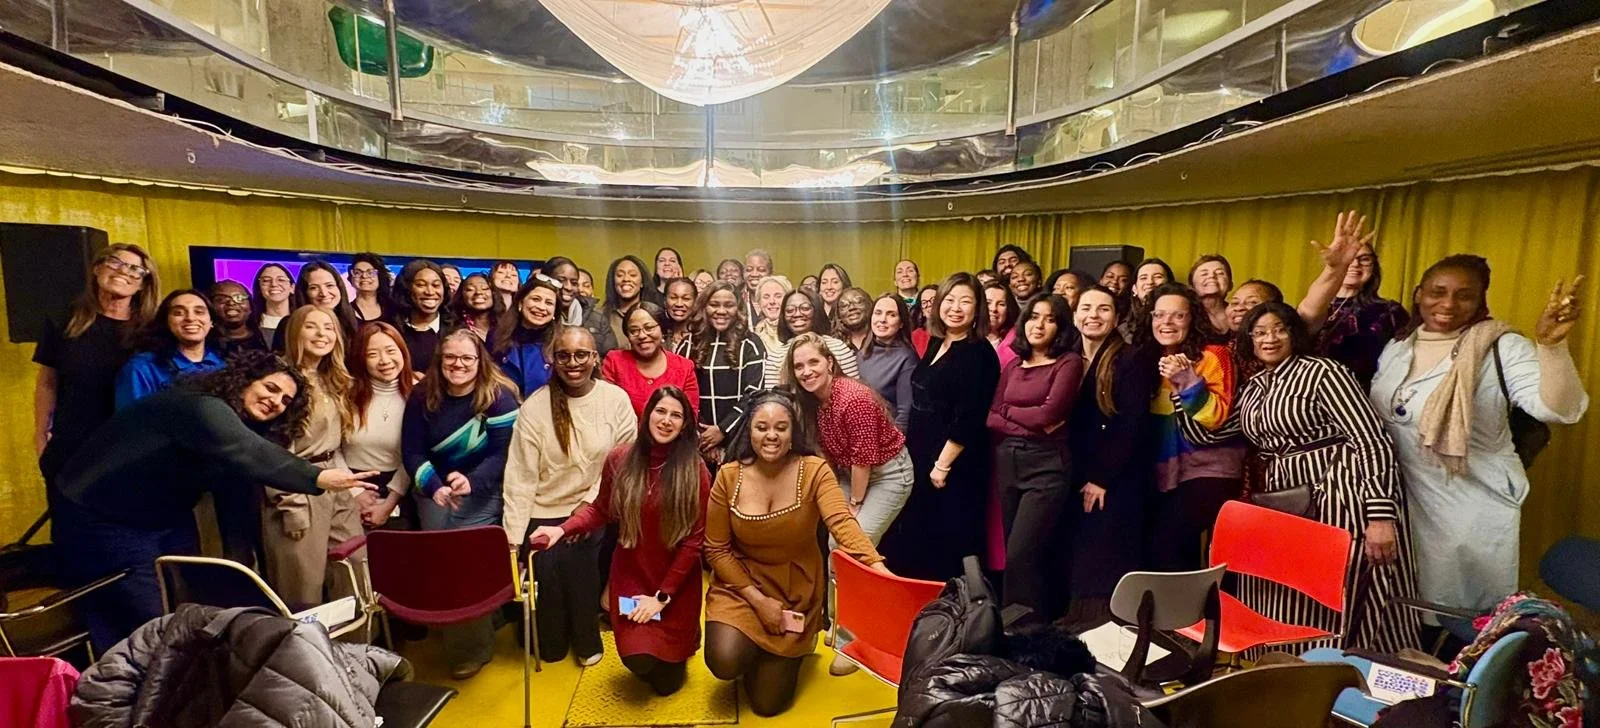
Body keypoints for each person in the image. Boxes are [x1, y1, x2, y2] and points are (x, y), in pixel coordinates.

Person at [52, 350, 375, 652]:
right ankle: (141, 693)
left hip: (161, 518)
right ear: (244, 380)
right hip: (103, 518)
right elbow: (248, 452)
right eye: (270, 387)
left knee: (188, 601)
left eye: (285, 399)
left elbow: (234, 495)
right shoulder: (202, 407)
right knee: (152, 618)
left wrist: (243, 562)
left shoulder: (235, 427)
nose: (275, 401)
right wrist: (317, 478)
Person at [1370, 256, 1588, 612]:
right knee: (1407, 608)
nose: (1448, 304)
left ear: (1481, 299)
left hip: (1470, 501)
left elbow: (1559, 410)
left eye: (1464, 295)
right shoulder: (1399, 346)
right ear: (1418, 293)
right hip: (1405, 499)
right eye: (1437, 292)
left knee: (1463, 617)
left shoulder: (1501, 346)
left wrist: (1551, 347)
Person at [1219, 302, 1421, 653]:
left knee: (1341, 588)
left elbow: (1370, 438)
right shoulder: (1253, 386)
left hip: (1340, 491)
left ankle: (1345, 680)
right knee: (1291, 592)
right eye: (1260, 332)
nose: (1270, 338)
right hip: (1284, 499)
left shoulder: (1324, 372)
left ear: (1294, 333)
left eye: (1279, 329)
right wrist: (1185, 390)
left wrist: (1380, 514)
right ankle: (1290, 676)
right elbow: (1215, 434)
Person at [703, 390, 888, 717]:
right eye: (761, 427)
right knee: (724, 660)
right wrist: (760, 603)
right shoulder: (729, 476)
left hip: (794, 590)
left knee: (767, 706)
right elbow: (716, 549)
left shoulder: (814, 470)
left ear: (793, 433)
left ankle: (789, 650)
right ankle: (750, 646)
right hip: (742, 588)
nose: (771, 435)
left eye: (780, 427)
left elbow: (841, 522)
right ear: (749, 431)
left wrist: (877, 566)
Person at [528, 387, 710, 695]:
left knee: (666, 685)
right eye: (660, 411)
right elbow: (601, 508)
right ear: (647, 414)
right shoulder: (620, 459)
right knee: (639, 661)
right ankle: (654, 647)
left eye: (676, 415)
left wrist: (661, 598)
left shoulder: (696, 470)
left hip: (675, 585)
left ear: (685, 426)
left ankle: (685, 638)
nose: (666, 420)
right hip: (632, 576)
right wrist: (561, 530)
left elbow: (694, 542)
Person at [503, 326, 637, 666]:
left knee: (579, 560)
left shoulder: (615, 400)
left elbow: (622, 463)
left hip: (595, 505)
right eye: (564, 355)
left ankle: (586, 636)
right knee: (550, 645)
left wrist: (588, 505)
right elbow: (520, 477)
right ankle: (554, 635)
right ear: (552, 361)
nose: (573, 362)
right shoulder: (535, 407)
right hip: (543, 508)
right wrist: (513, 543)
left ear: (595, 358)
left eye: (581, 355)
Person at [402, 330, 519, 678]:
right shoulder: (423, 395)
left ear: (479, 361)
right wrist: (433, 485)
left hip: (482, 491)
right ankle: (476, 623)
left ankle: (470, 651)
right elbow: (411, 450)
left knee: (463, 568)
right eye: (450, 357)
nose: (458, 364)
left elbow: (504, 453)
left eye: (467, 358)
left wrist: (472, 481)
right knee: (441, 566)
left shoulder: (499, 398)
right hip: (434, 490)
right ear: (439, 360)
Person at [879, 273, 1001, 582]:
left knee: (949, 541)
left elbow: (970, 417)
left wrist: (942, 465)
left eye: (965, 302)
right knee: (919, 537)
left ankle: (951, 616)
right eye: (949, 300)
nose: (955, 308)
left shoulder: (980, 354)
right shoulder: (938, 341)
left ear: (978, 310)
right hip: (922, 452)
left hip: (954, 463)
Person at [987, 294, 1083, 626]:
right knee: (1020, 554)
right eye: (1033, 317)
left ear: (1061, 326)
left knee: (1022, 553)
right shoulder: (1013, 364)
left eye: (1049, 318)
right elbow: (992, 415)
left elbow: (1052, 413)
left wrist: (1013, 416)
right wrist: (1031, 422)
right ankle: (1025, 625)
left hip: (1047, 465)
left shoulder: (1068, 362)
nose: (1039, 324)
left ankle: (1021, 627)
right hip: (1008, 461)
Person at [1138, 283, 1247, 572]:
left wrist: (1186, 379)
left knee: (1167, 547)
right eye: (1159, 315)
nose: (1167, 323)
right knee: (1169, 554)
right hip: (1164, 472)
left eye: (1178, 316)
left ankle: (1192, 617)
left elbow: (1215, 418)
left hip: (1208, 469)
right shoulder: (1145, 360)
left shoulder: (1213, 354)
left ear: (1193, 318)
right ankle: (1184, 617)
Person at [35, 243, 159, 495]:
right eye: (115, 262)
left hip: (128, 445)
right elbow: (48, 382)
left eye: (135, 269)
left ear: (143, 284)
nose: (123, 271)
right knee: (70, 525)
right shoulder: (64, 320)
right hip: (71, 444)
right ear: (97, 268)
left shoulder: (152, 332)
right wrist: (39, 436)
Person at [261, 305, 362, 611]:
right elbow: (272, 450)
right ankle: (303, 657)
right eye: (312, 327)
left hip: (337, 484)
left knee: (355, 573)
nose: (322, 334)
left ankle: (354, 651)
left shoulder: (334, 379)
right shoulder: (280, 380)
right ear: (295, 332)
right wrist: (290, 505)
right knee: (302, 588)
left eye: (329, 327)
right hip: (297, 488)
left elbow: (336, 444)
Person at [1066, 286, 1158, 621]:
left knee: (1104, 554)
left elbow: (1132, 425)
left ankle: (1104, 627)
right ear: (1075, 316)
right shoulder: (1069, 353)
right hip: (1077, 468)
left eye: (1103, 309)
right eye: (1086, 308)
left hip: (1115, 476)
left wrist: (1101, 479)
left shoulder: (1130, 359)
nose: (1093, 315)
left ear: (1116, 317)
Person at [1315, 217, 1409, 387]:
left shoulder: (1390, 311)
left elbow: (1403, 362)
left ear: (1374, 266)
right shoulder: (1315, 306)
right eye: (1348, 258)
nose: (1354, 264)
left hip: (1366, 398)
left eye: (1364, 259)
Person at [684, 282, 766, 466]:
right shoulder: (688, 344)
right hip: (695, 443)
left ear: (738, 309)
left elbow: (754, 395)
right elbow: (681, 396)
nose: (721, 311)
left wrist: (722, 430)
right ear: (704, 306)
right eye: (714, 304)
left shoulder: (751, 344)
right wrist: (703, 437)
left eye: (728, 305)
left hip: (739, 441)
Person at [344, 322, 415, 531]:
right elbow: (331, 450)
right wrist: (354, 492)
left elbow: (414, 454)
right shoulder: (345, 394)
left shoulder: (419, 394)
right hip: (347, 489)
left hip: (400, 494)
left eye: (391, 351)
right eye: (372, 354)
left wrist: (389, 503)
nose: (384, 361)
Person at [114, 289, 225, 408]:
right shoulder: (143, 368)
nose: (190, 318)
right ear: (166, 321)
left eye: (199, 312)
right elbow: (130, 420)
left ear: (211, 321)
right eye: (178, 313)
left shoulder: (224, 363)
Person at [602, 303, 701, 419]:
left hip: (672, 435)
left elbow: (690, 417)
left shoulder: (684, 367)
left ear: (662, 330)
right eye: (634, 331)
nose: (642, 335)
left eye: (649, 328)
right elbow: (606, 410)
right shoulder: (615, 361)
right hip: (625, 436)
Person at [761, 289, 859, 389]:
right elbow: (773, 400)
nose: (797, 314)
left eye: (805, 308)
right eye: (790, 310)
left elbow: (855, 392)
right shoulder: (775, 357)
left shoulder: (839, 348)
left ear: (816, 310)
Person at [858, 294, 918, 431]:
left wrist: (891, 448)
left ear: (901, 322)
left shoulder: (907, 357)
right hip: (862, 432)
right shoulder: (863, 352)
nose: (882, 320)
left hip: (887, 437)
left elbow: (904, 415)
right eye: (878, 313)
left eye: (891, 315)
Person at [495, 276, 560, 398]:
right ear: (520, 303)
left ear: (554, 313)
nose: (541, 307)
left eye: (549, 303)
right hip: (505, 412)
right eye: (536, 299)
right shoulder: (496, 336)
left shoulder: (562, 342)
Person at [272, 261, 358, 349]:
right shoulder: (289, 325)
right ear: (304, 293)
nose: (324, 293)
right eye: (314, 288)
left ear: (339, 287)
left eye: (329, 285)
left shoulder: (351, 321)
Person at [544, 256, 618, 357]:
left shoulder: (598, 320)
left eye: (574, 283)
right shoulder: (538, 316)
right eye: (561, 281)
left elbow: (611, 361)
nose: (568, 287)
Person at [392, 259, 449, 373]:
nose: (430, 291)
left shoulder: (456, 330)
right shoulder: (391, 329)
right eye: (421, 285)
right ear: (407, 289)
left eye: (436, 285)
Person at [604, 256, 653, 350]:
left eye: (633, 275)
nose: (626, 279)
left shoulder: (655, 315)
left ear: (642, 282)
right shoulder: (601, 316)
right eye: (620, 275)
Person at [209, 281, 267, 358]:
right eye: (221, 299)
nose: (231, 303)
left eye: (239, 298)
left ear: (250, 307)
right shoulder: (203, 343)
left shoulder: (266, 338)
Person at [450, 272, 505, 342]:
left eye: (484, 288)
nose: (478, 292)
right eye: (470, 289)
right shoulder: (452, 329)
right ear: (462, 296)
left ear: (494, 294)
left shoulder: (507, 327)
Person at [249, 263, 293, 346]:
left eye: (281, 280)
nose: (274, 284)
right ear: (259, 288)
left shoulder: (302, 320)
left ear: (292, 288)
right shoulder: (250, 324)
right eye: (266, 280)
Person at [1189, 255, 1234, 332]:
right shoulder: (1187, 315)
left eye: (1220, 273)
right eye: (1204, 274)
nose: (1212, 276)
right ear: (1192, 286)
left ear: (1230, 285)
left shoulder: (1238, 313)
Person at [983, 282, 1021, 369]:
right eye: (988, 303)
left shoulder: (1017, 342)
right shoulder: (965, 337)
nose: (993, 309)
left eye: (1001, 304)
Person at [750, 275, 791, 352]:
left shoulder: (796, 331)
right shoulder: (756, 336)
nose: (772, 301)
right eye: (766, 297)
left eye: (778, 296)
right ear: (759, 302)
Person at [348, 253, 392, 323]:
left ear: (380, 277)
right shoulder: (344, 312)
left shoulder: (393, 311)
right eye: (357, 273)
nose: (364, 276)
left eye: (370, 272)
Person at [661, 277, 698, 352]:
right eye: (673, 298)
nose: (679, 304)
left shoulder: (701, 336)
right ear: (665, 301)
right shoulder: (659, 333)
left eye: (686, 299)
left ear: (695, 302)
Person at [833, 287, 873, 352]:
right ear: (838, 315)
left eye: (858, 302)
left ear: (870, 305)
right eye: (844, 306)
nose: (851, 307)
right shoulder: (832, 345)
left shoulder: (882, 339)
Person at [742, 249, 773, 326]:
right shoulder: (737, 299)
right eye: (749, 270)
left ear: (770, 273)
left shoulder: (780, 301)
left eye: (761, 270)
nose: (754, 274)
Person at [912, 284, 938, 355]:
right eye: (924, 303)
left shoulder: (953, 332)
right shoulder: (916, 336)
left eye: (933, 300)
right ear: (922, 312)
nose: (929, 304)